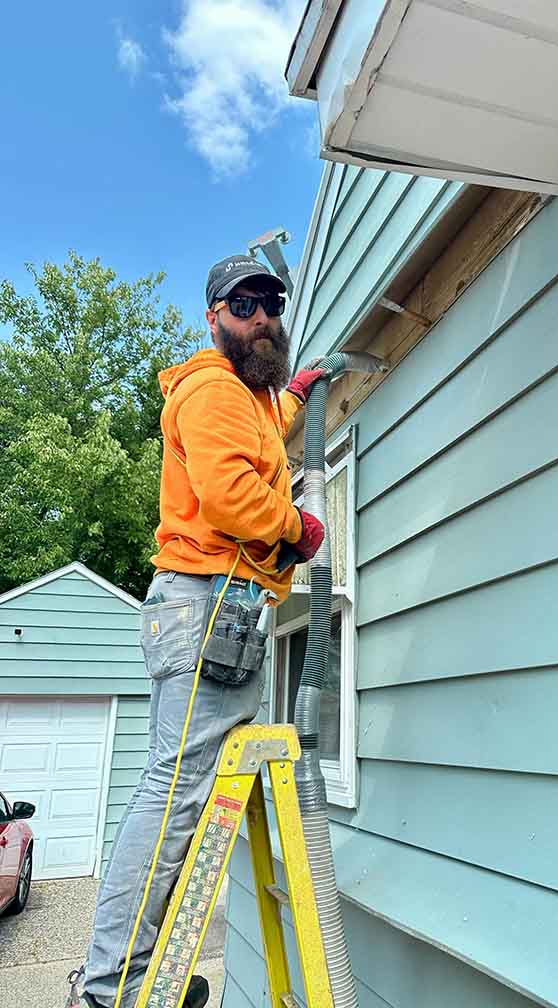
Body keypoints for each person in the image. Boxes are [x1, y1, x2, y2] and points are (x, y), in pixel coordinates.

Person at [68, 255, 326, 1008]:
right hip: (208, 602)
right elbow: (232, 496)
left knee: (177, 792)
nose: (261, 317)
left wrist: (299, 396)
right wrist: (299, 527)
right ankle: (111, 988)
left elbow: (263, 428)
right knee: (173, 793)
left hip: (215, 605)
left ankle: (136, 972)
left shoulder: (248, 399)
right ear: (214, 317)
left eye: (270, 304)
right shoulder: (214, 387)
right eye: (243, 306)